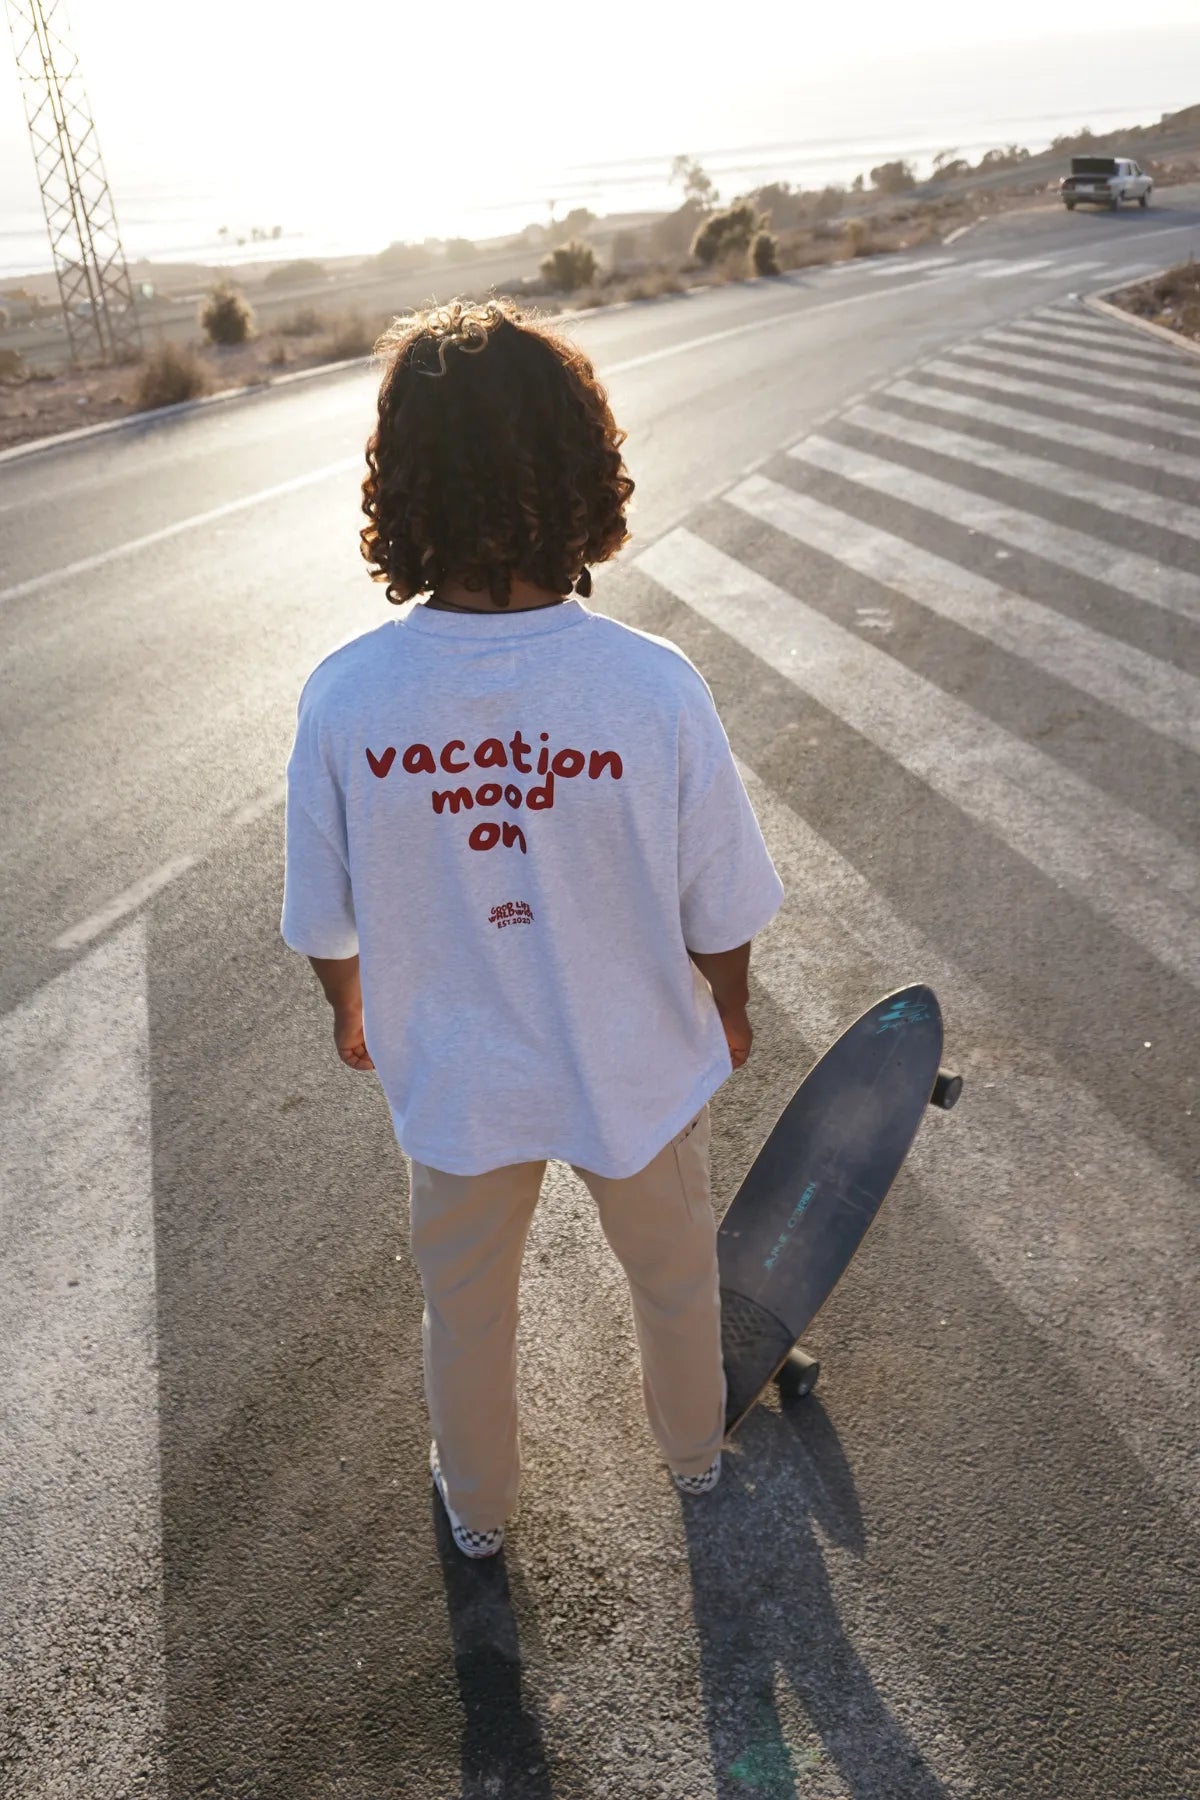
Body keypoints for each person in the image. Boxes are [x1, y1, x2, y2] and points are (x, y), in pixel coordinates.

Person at [281, 298, 783, 1558]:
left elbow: (323, 914)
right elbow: (720, 901)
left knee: (466, 1311)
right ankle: (694, 1457)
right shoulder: (652, 686)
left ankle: (479, 1511)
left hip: (455, 1074)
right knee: (674, 1279)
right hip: (638, 1062)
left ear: (401, 489)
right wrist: (724, 1004)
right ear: (583, 474)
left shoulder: (347, 696)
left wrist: (351, 1008)